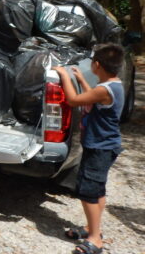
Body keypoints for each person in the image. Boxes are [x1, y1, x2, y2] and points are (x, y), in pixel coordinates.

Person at [52, 43, 124, 254]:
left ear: (97, 65)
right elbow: (93, 94)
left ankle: (95, 240)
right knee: (97, 189)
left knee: (88, 191)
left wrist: (64, 75)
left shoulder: (104, 90)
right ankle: (91, 228)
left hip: (100, 147)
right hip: (103, 146)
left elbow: (74, 100)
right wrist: (81, 79)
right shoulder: (112, 85)